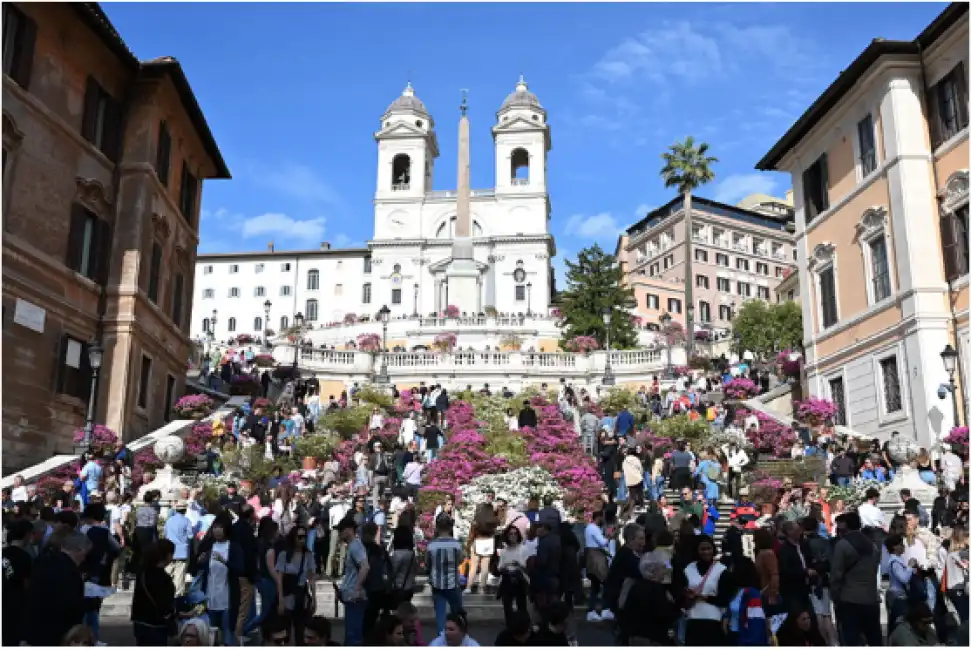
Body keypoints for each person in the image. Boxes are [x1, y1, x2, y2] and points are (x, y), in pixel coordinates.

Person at [830, 511, 882, 646]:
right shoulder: (873, 546)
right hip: (870, 598)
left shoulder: (842, 545)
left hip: (850, 598)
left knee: (852, 639)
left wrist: (835, 595)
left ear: (846, 526)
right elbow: (874, 569)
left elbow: (836, 573)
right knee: (874, 637)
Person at [196, 517, 239, 645]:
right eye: (215, 527)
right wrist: (200, 562)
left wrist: (225, 562)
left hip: (227, 599)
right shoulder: (209, 546)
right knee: (211, 636)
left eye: (220, 527)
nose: (217, 531)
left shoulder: (233, 547)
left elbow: (240, 569)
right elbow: (196, 568)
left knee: (227, 635)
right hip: (210, 598)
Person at [682, 534, 731, 645]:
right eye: (702, 549)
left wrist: (703, 597)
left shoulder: (721, 570)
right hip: (693, 619)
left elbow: (724, 599)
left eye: (709, 548)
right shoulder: (688, 569)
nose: (706, 552)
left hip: (713, 620)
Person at [131, 539, 177, 646]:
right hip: (156, 626)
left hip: (139, 623)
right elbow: (164, 605)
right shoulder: (163, 579)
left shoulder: (143, 572)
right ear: (168, 555)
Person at [276, 524, 316, 645]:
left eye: (304, 537)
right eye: (299, 537)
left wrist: (314, 598)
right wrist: (280, 598)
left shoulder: (308, 555)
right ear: (293, 537)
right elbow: (279, 577)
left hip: (301, 595)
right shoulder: (284, 555)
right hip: (287, 595)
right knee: (286, 631)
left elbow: (311, 578)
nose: (302, 539)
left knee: (301, 630)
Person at [427, 515, 465, 638]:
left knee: (440, 614)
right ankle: (457, 638)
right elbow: (460, 560)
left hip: (437, 584)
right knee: (457, 614)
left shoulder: (431, 545)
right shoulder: (457, 545)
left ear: (437, 527)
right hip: (453, 583)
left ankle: (441, 640)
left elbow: (427, 563)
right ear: (450, 527)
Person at [3, 519, 34, 647]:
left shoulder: (3, 553)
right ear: (26, 534)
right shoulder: (25, 557)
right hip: (17, 603)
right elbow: (27, 584)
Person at [339, 517, 368, 646]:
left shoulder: (356, 545)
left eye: (341, 530)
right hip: (350, 595)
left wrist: (356, 588)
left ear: (349, 530)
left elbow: (365, 566)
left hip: (354, 596)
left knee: (353, 635)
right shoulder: (353, 546)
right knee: (351, 634)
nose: (339, 533)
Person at [496, 524, 530, 627]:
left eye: (515, 533)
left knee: (521, 606)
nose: (513, 536)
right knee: (507, 606)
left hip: (520, 580)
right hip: (507, 580)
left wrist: (518, 565)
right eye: (511, 534)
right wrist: (506, 565)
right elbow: (499, 567)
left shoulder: (523, 549)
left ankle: (524, 626)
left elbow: (527, 568)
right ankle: (510, 626)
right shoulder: (504, 551)